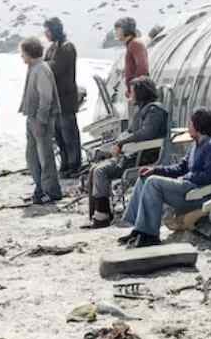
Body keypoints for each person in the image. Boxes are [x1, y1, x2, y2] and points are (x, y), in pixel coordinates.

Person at [120, 108, 211, 248]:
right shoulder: (196, 144)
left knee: (153, 183)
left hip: (198, 193)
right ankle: (139, 229)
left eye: (190, 123)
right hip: (187, 187)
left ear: (198, 125)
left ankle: (150, 235)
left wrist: (186, 177)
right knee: (146, 177)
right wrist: (155, 170)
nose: (188, 127)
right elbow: (180, 168)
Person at [84, 77, 168, 228]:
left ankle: (102, 217)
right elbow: (130, 132)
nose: (129, 95)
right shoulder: (143, 110)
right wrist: (117, 143)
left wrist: (122, 143)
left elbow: (146, 133)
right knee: (94, 169)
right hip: (132, 154)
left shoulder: (154, 111)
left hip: (142, 157)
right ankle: (99, 214)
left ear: (140, 93)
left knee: (100, 171)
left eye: (132, 92)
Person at [19, 36, 62, 204]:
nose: (21, 56)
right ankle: (40, 188)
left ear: (29, 52)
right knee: (32, 156)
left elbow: (46, 97)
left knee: (45, 156)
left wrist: (41, 120)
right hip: (32, 117)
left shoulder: (41, 69)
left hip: (40, 120)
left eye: (23, 53)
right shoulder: (33, 67)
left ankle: (51, 191)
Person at [43, 17, 82, 177]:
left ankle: (74, 165)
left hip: (65, 99)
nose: (46, 34)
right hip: (55, 99)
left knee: (69, 135)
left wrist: (43, 65)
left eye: (48, 31)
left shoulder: (67, 47)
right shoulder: (52, 48)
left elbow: (54, 68)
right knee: (58, 135)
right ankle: (65, 164)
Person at [114, 17, 149, 102]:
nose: (116, 32)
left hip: (139, 95)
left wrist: (135, 91)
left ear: (126, 30)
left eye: (118, 29)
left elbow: (142, 68)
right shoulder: (131, 45)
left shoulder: (135, 44)